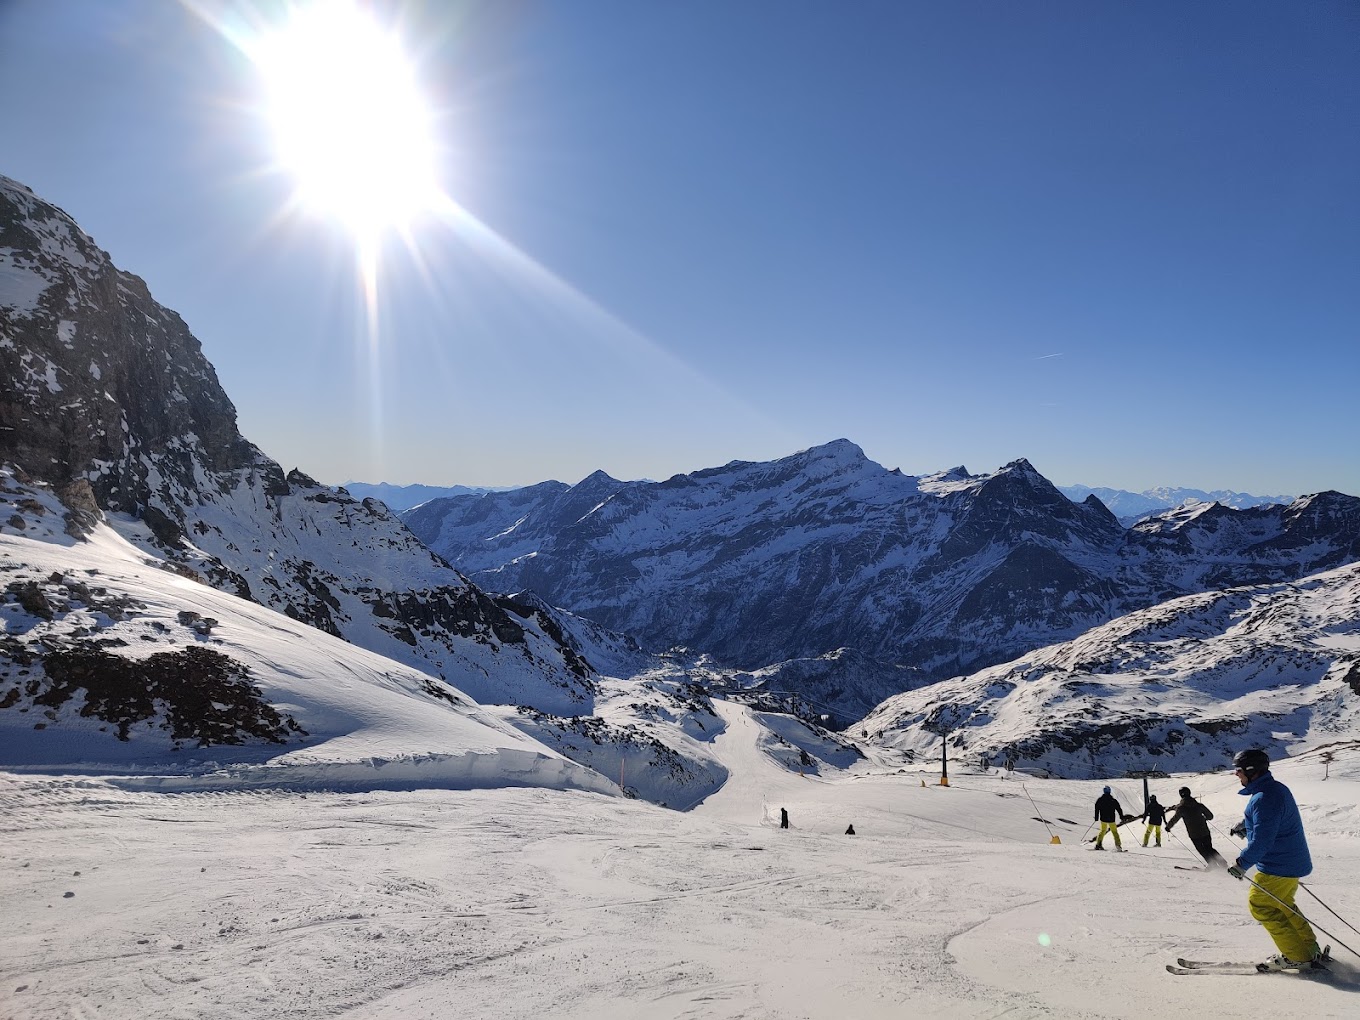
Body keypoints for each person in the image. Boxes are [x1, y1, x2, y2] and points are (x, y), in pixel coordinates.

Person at [1226, 748, 1323, 970]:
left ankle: (1297, 956)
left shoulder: (1263, 798)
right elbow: (1270, 823)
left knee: (1260, 905)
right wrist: (1246, 827)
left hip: (1277, 866)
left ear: (1252, 771)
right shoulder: (1274, 790)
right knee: (1283, 905)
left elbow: (1262, 841)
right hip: (1290, 861)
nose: (1236, 775)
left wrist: (1241, 864)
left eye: (1239, 770)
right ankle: (1309, 949)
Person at [1166, 786, 1225, 868]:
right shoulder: (1199, 805)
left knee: (1202, 850)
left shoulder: (1181, 808)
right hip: (1205, 831)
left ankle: (1212, 865)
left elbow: (1175, 819)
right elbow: (1210, 816)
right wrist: (1205, 818)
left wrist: (1168, 827)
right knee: (1209, 848)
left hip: (1194, 833)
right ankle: (1223, 863)